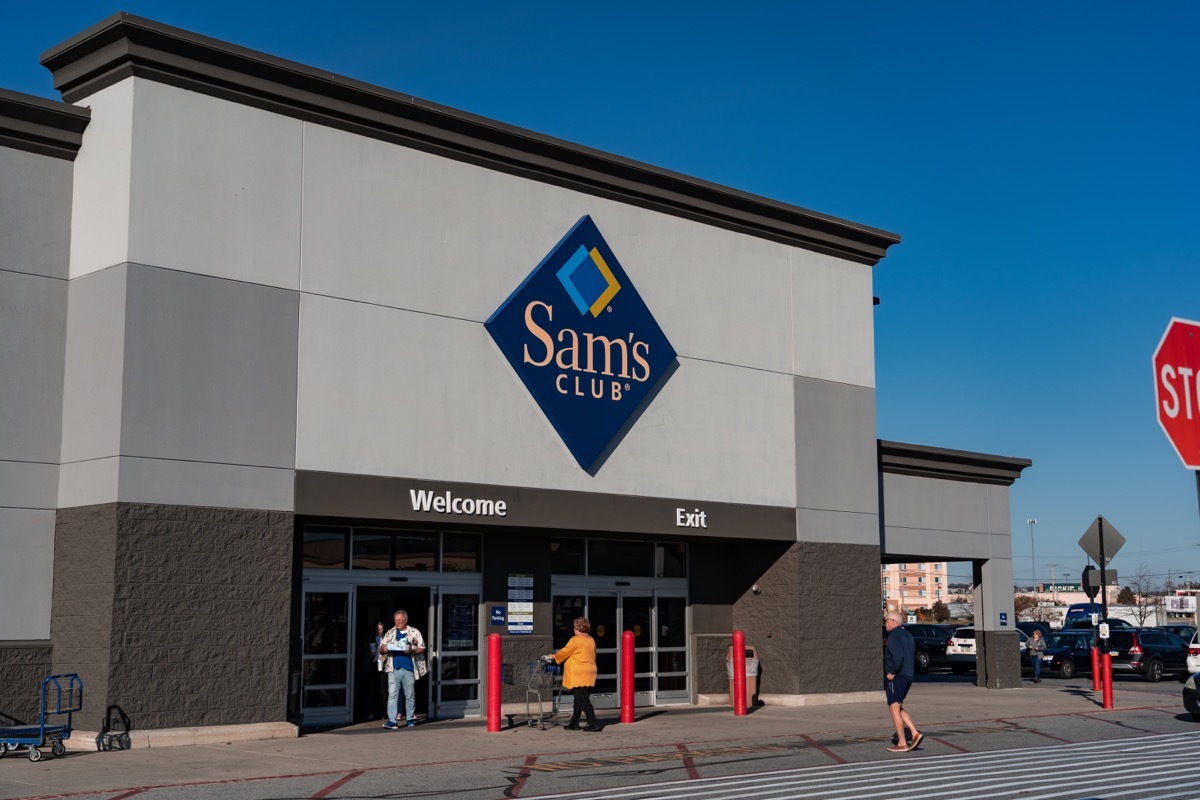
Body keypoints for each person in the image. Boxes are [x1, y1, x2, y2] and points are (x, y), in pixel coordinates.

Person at [547, 617, 600, 732]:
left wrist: (554, 657)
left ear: (577, 628)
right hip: (589, 672)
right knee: (579, 700)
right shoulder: (591, 639)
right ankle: (573, 724)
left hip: (579, 674)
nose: (573, 629)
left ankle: (593, 724)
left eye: (574, 627)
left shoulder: (576, 639)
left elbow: (565, 651)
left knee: (583, 701)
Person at [379, 610, 427, 729]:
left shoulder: (414, 632)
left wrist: (412, 650)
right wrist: (383, 650)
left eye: (400, 621)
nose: (397, 623)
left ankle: (410, 718)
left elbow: (422, 648)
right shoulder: (390, 632)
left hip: (409, 668)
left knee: (410, 694)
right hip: (393, 667)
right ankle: (392, 720)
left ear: (405, 621)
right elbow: (381, 649)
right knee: (392, 695)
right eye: (395, 620)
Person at [883, 611, 923, 752]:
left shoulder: (893, 636)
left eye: (886, 620)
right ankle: (914, 733)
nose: (885, 623)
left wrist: (891, 673)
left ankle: (901, 743)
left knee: (893, 707)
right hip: (908, 675)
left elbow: (897, 657)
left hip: (897, 676)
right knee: (898, 706)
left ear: (893, 621)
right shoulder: (908, 635)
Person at [366, 621, 388, 719]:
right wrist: (371, 654)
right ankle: (372, 712)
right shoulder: (371, 638)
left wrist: (385, 656)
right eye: (377, 629)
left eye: (381, 629)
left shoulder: (387, 638)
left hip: (383, 665)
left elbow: (391, 650)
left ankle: (384, 712)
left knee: (383, 690)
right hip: (373, 665)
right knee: (372, 689)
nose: (379, 631)